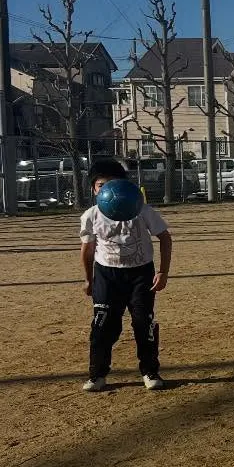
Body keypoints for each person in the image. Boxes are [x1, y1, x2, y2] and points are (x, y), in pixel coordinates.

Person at [79, 158, 171, 392]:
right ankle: (97, 374)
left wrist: (163, 272)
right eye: (101, 185)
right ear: (93, 189)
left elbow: (165, 237)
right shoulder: (91, 215)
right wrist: (89, 279)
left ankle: (150, 371)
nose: (108, 190)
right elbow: (87, 249)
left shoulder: (141, 210)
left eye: (113, 184)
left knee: (143, 322)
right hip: (107, 275)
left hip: (140, 274)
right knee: (103, 324)